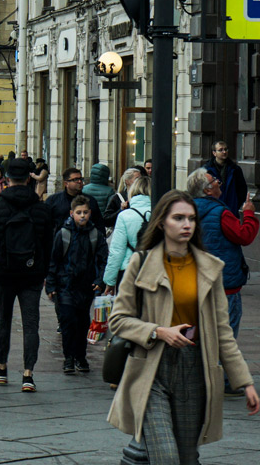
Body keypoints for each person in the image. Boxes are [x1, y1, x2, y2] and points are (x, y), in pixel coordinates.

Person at [107, 191, 259, 462]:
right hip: (152, 369)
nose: (187, 224)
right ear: (162, 222)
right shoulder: (140, 264)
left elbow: (223, 333)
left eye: (191, 218)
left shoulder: (210, 268)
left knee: (188, 459)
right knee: (165, 456)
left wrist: (245, 383)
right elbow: (118, 319)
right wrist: (157, 331)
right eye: (178, 218)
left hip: (195, 369)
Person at [0, 159, 55, 392]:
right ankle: (28, 374)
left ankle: (2, 367)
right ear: (29, 179)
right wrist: (43, 271)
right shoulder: (42, 208)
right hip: (32, 274)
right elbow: (48, 244)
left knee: (3, 320)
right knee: (31, 324)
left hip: (3, 272)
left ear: (8, 179)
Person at [187, 167, 258, 395]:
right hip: (224, 284)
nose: (218, 182)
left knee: (197, 329)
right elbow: (244, 236)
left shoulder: (189, 211)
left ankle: (195, 374)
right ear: (208, 190)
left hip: (196, 282)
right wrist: (248, 213)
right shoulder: (221, 213)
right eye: (214, 180)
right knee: (226, 332)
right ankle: (226, 379)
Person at [45, 195, 107, 374]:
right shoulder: (63, 234)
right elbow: (54, 260)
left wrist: (99, 280)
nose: (82, 216)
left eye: (85, 212)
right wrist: (51, 284)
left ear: (90, 213)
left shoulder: (95, 235)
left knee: (82, 323)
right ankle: (69, 358)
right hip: (65, 285)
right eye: (79, 212)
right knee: (68, 322)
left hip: (85, 286)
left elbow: (103, 259)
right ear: (71, 213)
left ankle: (81, 356)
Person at [103, 176, 152, 293]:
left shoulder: (125, 215)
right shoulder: (160, 213)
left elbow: (117, 251)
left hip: (128, 270)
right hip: (153, 270)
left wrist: (110, 281)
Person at [45, 168, 104, 232]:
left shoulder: (90, 201)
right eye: (75, 179)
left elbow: (99, 224)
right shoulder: (53, 201)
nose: (79, 182)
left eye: (80, 179)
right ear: (66, 183)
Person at [204, 141, 248, 211]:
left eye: (226, 149)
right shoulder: (206, 170)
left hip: (231, 210)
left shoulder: (235, 169)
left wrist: (236, 205)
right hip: (213, 209)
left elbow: (242, 190)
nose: (224, 152)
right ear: (214, 153)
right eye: (221, 150)